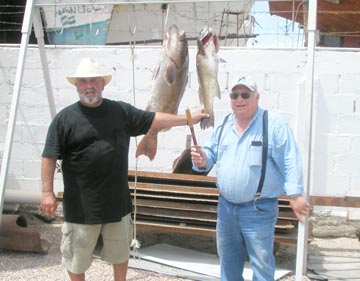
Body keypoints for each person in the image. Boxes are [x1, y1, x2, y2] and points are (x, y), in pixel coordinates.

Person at [40, 58, 209, 281]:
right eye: (83, 82)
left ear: (102, 83)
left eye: (93, 80)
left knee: (120, 255)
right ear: (76, 85)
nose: (88, 86)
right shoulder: (64, 119)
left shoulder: (120, 111)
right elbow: (49, 156)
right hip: (80, 207)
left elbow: (154, 119)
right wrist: (46, 192)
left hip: (117, 205)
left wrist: (188, 120)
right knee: (76, 258)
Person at [191, 76, 310, 281]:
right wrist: (202, 159)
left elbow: (290, 159)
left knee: (262, 266)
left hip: (258, 209)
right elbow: (210, 153)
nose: (239, 99)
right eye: (234, 95)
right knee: (228, 263)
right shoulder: (225, 124)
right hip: (226, 209)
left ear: (257, 97)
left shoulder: (273, 124)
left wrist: (295, 195)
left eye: (245, 94)